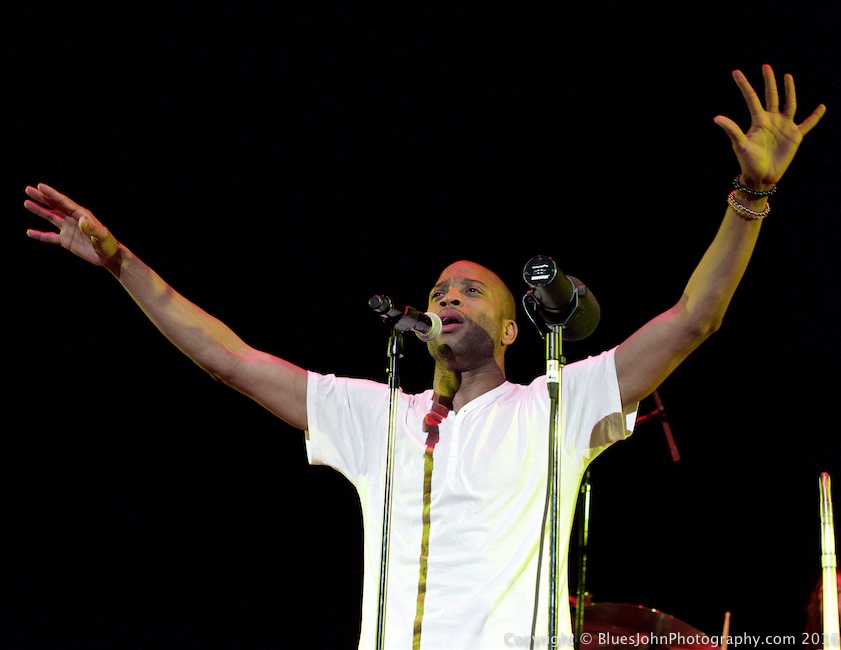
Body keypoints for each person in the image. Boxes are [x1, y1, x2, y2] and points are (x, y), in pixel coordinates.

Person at [21, 65, 824, 650]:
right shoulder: (377, 416)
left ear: (514, 331)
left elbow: (693, 319)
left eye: (471, 291)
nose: (447, 298)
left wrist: (748, 200)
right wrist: (121, 261)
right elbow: (226, 358)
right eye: (439, 289)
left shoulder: (554, 404)